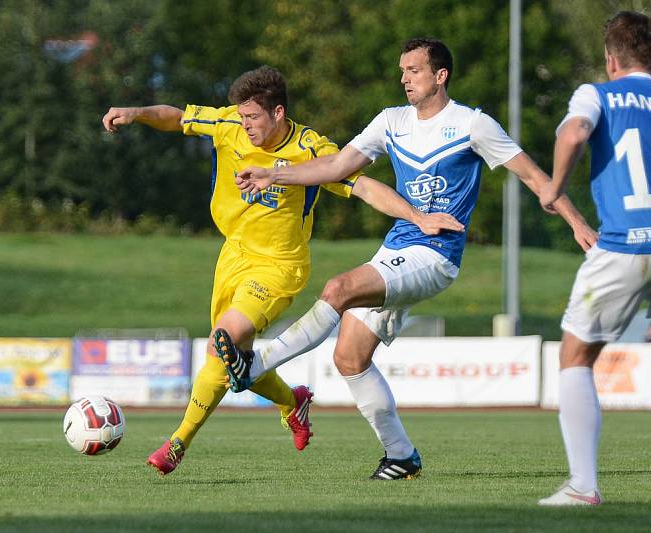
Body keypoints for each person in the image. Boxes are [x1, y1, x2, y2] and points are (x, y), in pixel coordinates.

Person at [216, 38, 597, 480]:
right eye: (402, 70)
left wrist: (576, 223)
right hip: (397, 249)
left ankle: (256, 364)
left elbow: (535, 177)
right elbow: (337, 166)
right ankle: (401, 456)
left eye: (414, 70)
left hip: (436, 254)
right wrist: (273, 172)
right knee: (350, 358)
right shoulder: (391, 121)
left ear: (441, 76)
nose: (404, 79)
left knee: (339, 288)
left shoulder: (473, 125)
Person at [101, 65, 462, 475]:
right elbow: (177, 116)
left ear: (277, 113)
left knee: (224, 343)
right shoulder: (228, 124)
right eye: (241, 116)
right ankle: (293, 401)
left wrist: (417, 217)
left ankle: (176, 444)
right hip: (233, 256)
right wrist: (136, 112)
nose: (245, 125)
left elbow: (361, 185)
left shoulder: (310, 148)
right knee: (228, 356)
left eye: (252, 117)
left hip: (279, 266)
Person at [537, 11, 651, 505]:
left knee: (576, 356)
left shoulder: (596, 94)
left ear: (611, 58)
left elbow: (574, 134)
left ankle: (583, 486)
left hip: (626, 243)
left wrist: (554, 189)